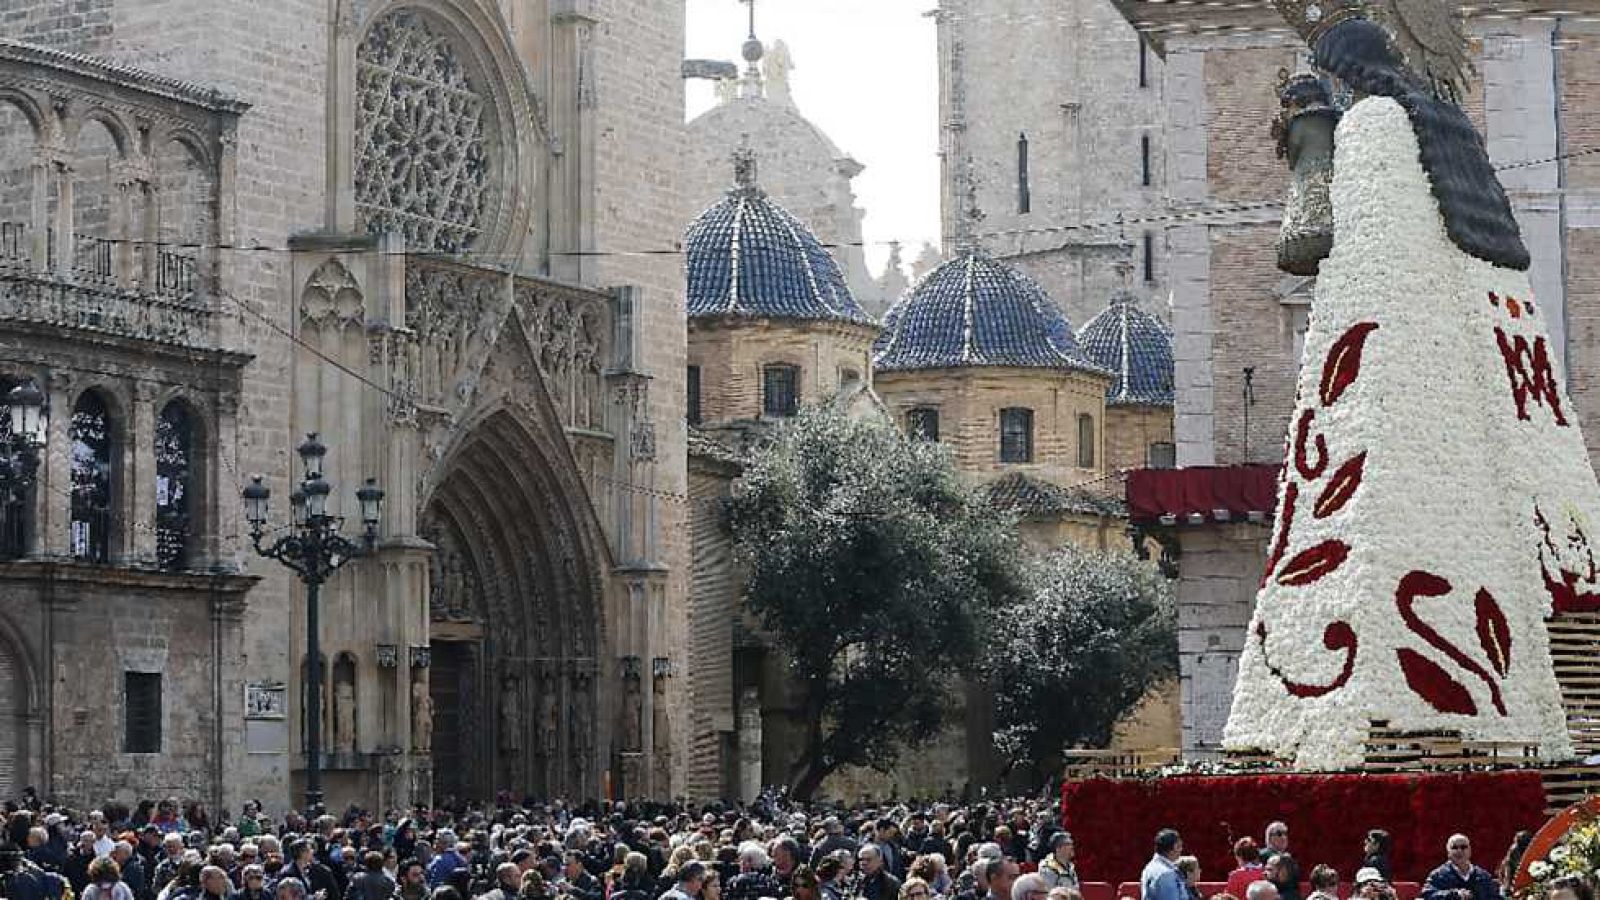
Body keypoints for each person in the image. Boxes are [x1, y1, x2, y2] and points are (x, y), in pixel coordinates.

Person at [1423, 836, 1502, 900]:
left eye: (1463, 847)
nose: (1459, 850)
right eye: (1454, 847)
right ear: (1448, 853)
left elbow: (1495, 897)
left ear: (1470, 851)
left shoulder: (1483, 876)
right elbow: (1427, 895)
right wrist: (1454, 895)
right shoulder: (1438, 876)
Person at [1141, 831, 1185, 900]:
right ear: (1170, 850)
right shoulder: (1166, 873)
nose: (1181, 850)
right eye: (1178, 846)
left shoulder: (1149, 867)